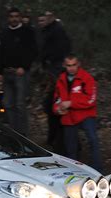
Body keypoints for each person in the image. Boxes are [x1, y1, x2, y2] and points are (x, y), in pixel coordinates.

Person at [53, 54, 102, 171]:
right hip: (68, 117)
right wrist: (57, 109)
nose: (71, 68)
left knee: (93, 140)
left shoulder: (86, 78)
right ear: (64, 66)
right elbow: (57, 99)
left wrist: (71, 103)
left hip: (86, 115)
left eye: (74, 65)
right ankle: (74, 172)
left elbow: (91, 99)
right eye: (69, 65)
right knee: (71, 147)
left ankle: (97, 169)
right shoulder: (61, 80)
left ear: (78, 64)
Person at [0, 7, 37, 135]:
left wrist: (24, 67)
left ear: (20, 17)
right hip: (7, 72)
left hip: (20, 73)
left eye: (16, 16)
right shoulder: (4, 32)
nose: (14, 18)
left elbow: (32, 51)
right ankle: (14, 133)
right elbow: (1, 52)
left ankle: (23, 134)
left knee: (20, 105)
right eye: (11, 16)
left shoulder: (27, 31)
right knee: (8, 104)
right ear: (8, 18)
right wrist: (0, 72)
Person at [38, 11, 71, 154]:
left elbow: (59, 52)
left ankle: (59, 143)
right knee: (51, 108)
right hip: (53, 73)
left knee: (55, 108)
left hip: (56, 74)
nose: (40, 22)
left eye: (43, 19)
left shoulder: (57, 32)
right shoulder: (49, 31)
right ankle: (55, 140)